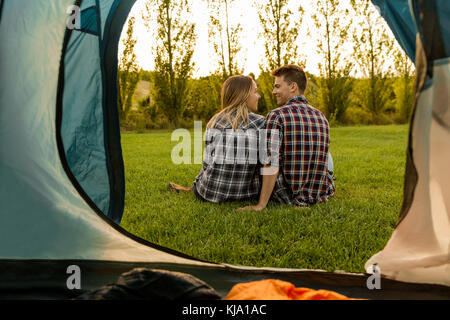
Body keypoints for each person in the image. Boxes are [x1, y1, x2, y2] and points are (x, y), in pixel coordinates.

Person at [240, 65, 335, 211]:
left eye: (277, 86)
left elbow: (270, 162)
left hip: (288, 196)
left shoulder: (277, 115)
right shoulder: (321, 116)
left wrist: (261, 205)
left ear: (293, 87)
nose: (274, 91)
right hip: (320, 193)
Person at [168, 75, 266, 203]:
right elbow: (268, 165)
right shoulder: (260, 122)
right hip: (245, 194)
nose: (258, 96)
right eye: (255, 91)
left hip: (208, 193)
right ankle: (192, 188)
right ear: (244, 95)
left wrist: (198, 183)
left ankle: (192, 189)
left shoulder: (215, 120)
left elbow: (207, 162)